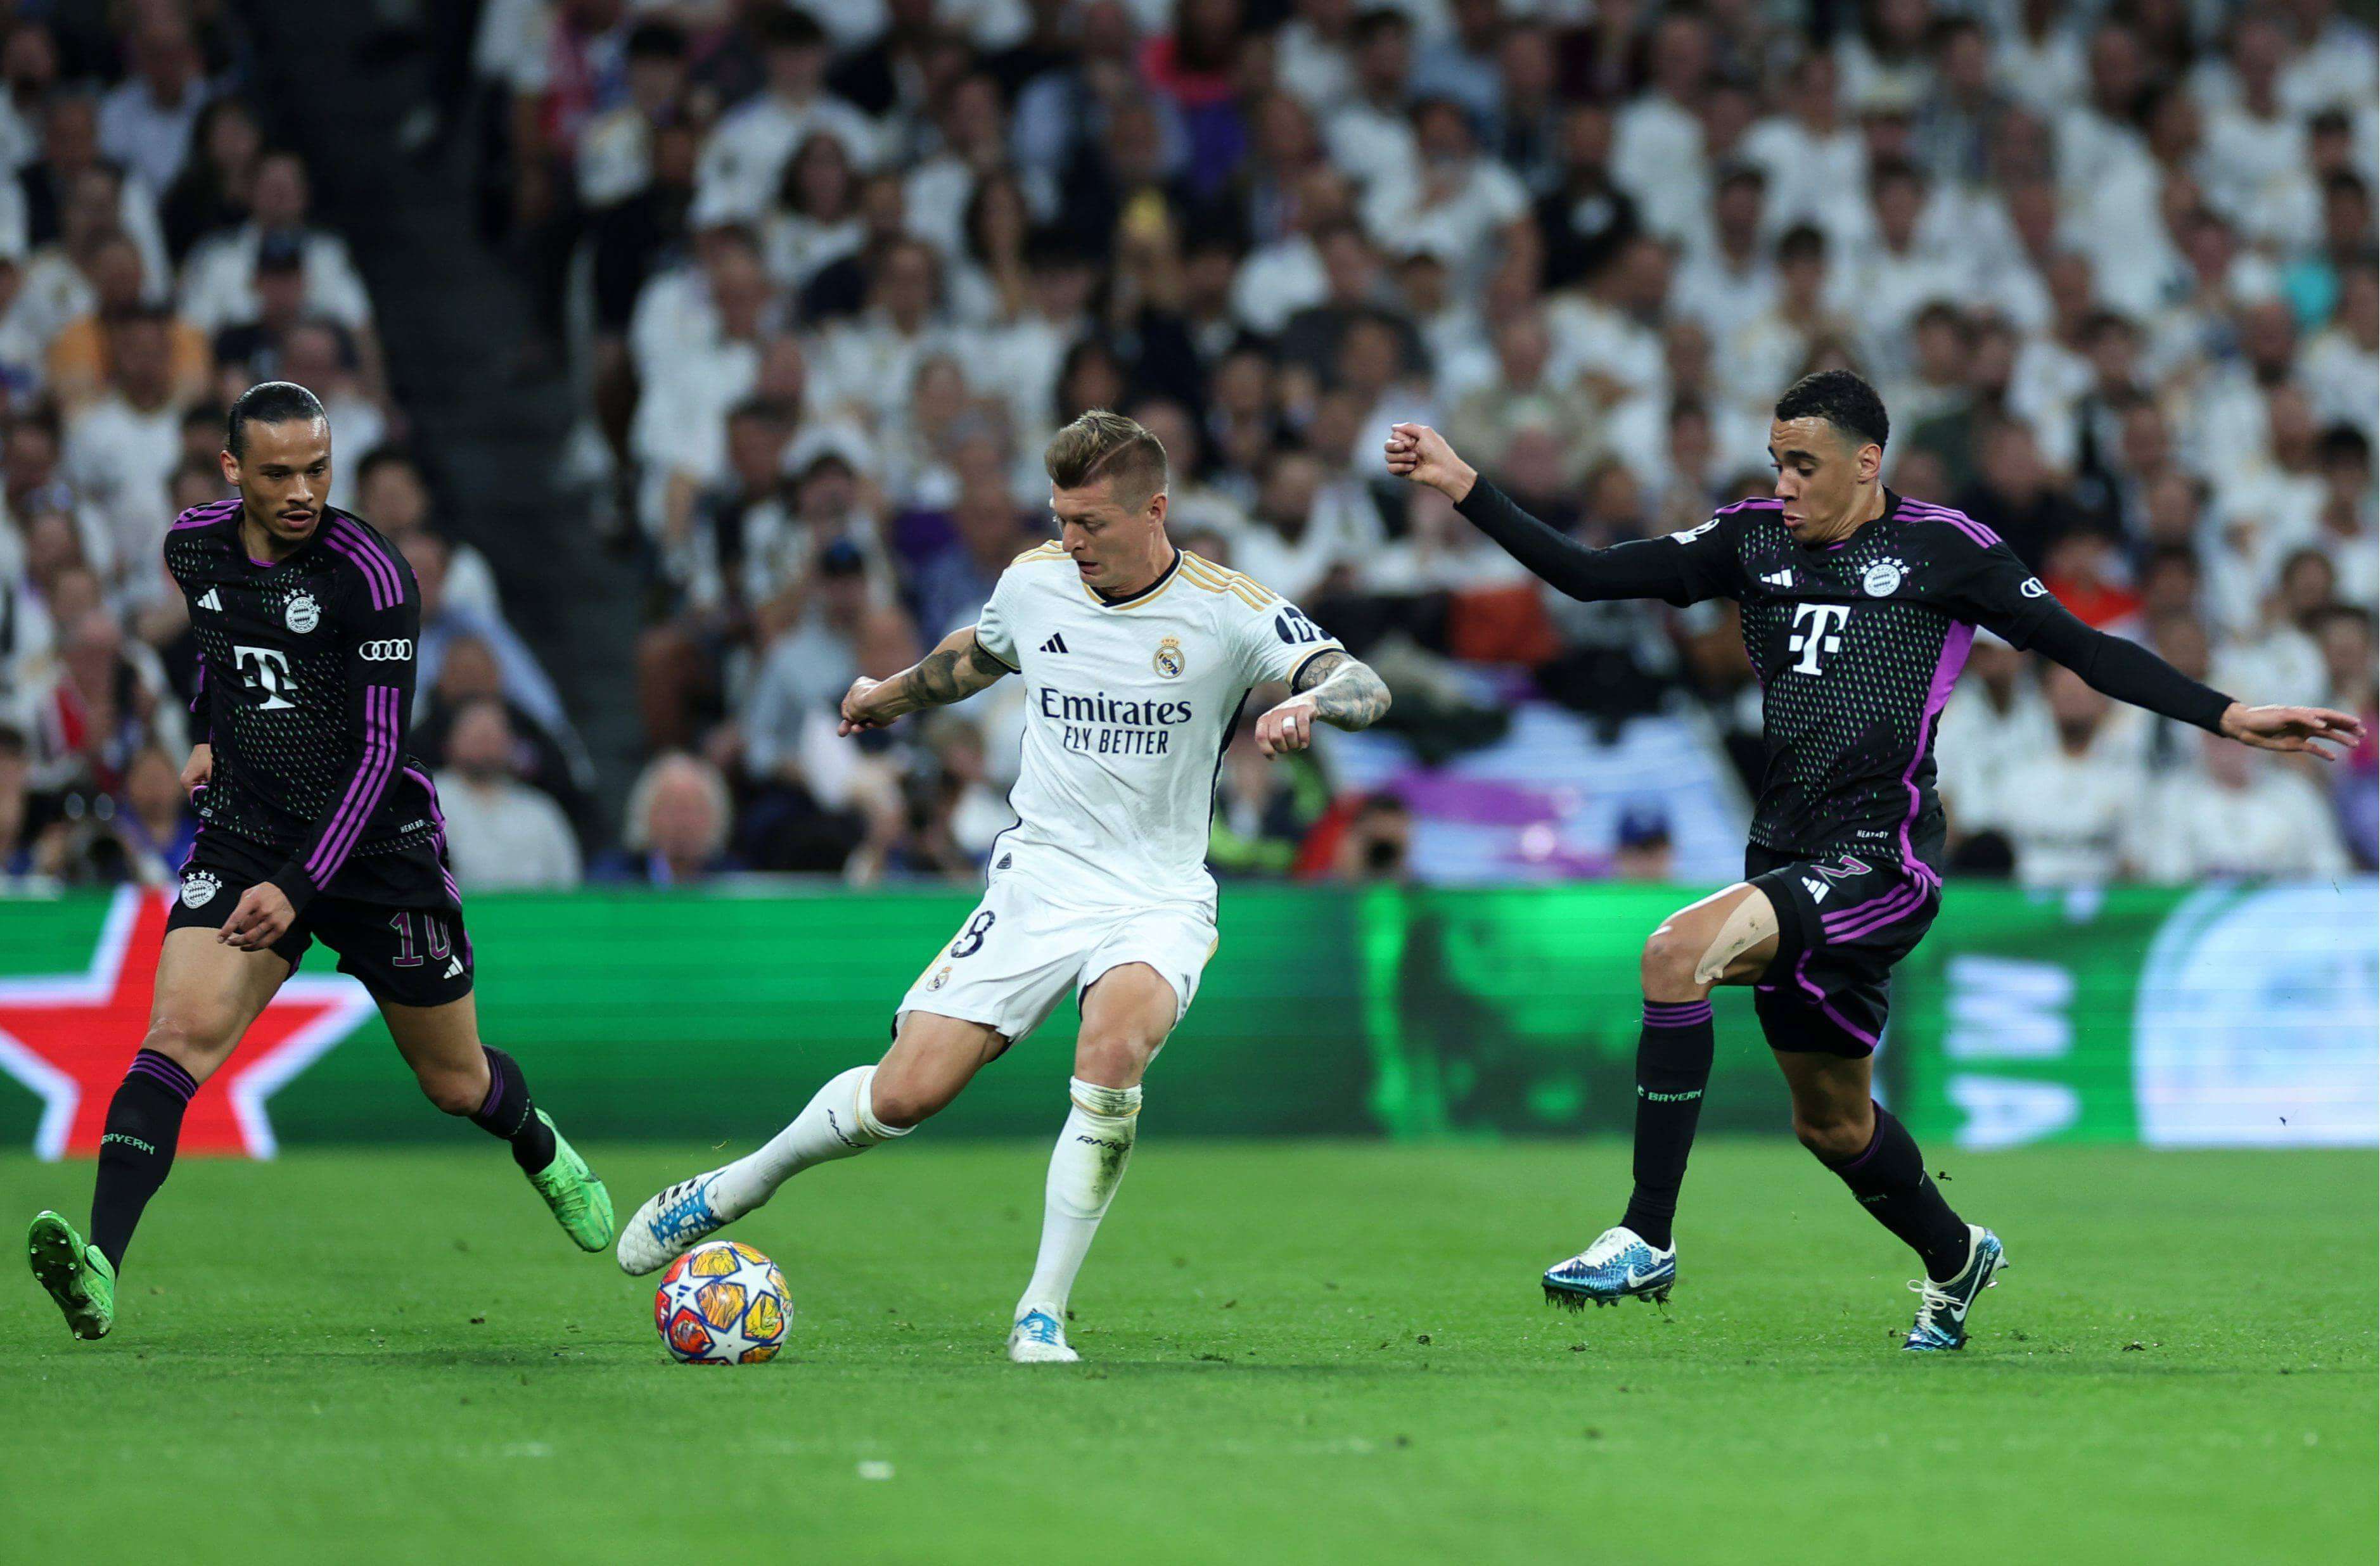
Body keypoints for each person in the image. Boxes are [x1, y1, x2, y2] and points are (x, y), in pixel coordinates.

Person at [1385, 369, 2362, 1352]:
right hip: (1786, 854)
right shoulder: (1752, 539)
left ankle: (1646, 1234)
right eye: (1776, 464)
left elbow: (2084, 650)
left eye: (1803, 466)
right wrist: (1466, 482)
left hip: (1881, 861)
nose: (1786, 485)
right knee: (1833, 1125)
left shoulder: (1947, 551)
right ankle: (1956, 1256)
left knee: (1674, 956)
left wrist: (2228, 714)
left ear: (1866, 463)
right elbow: (1588, 574)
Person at [615, 410, 1392, 1364]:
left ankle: (1041, 1313)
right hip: (1040, 881)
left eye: (1091, 523)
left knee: (1112, 1050)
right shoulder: (1034, 584)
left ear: (1155, 511)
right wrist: (883, 696)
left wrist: (1311, 700)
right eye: (1061, 518)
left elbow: (1361, 682)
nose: (1071, 541)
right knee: (902, 1097)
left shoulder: (1228, 608)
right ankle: (739, 1184)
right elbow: (975, 659)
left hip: (1157, 891)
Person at [23, 382, 612, 1342]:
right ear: (232, 471)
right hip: (250, 830)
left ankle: (538, 1144)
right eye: (278, 472)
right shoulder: (193, 547)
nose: (302, 491)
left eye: (317, 469)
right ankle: (98, 1266)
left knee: (455, 1084)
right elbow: (222, 646)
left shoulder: (372, 577)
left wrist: (297, 889)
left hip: (378, 848)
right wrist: (215, 729)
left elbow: (381, 755)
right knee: (177, 1035)